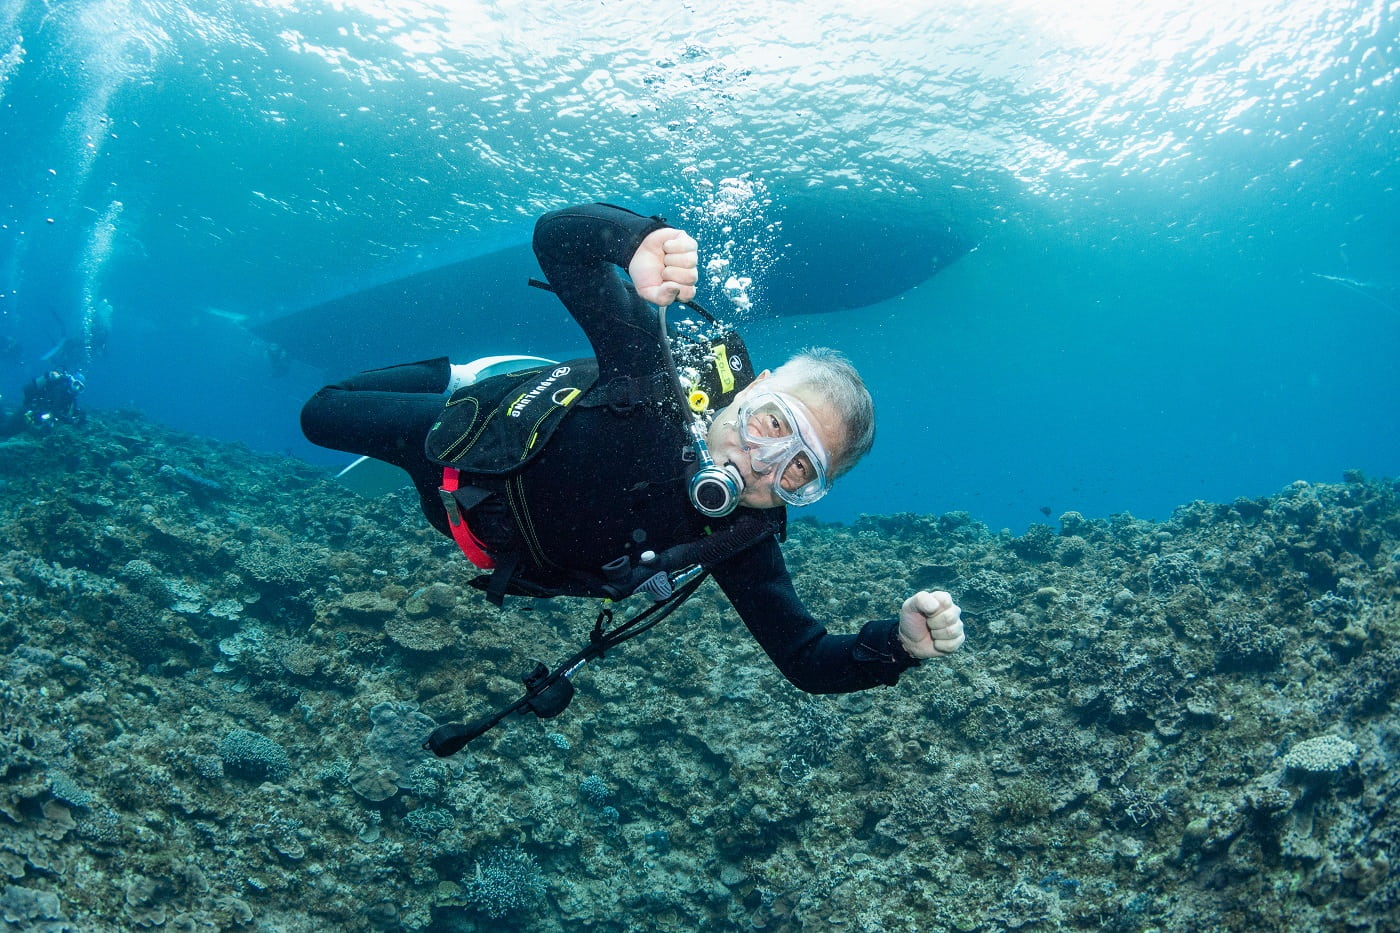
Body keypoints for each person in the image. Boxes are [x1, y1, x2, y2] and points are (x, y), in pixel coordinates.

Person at [301, 202, 964, 697]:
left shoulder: (737, 536)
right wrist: (638, 241)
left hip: (477, 538)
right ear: (750, 390)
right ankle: (463, 373)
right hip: (462, 444)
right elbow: (557, 243)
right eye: (770, 423)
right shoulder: (650, 373)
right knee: (320, 414)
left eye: (799, 469)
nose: (762, 464)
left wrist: (896, 647)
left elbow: (808, 659)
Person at [1, 369, 86, 437]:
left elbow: (72, 412)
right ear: (71, 381)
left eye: (80, 388)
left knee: (7, 427)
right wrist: (68, 420)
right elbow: (55, 411)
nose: (77, 388)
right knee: (5, 430)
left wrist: (80, 417)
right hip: (29, 411)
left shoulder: (71, 398)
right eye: (76, 384)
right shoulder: (59, 389)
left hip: (34, 417)